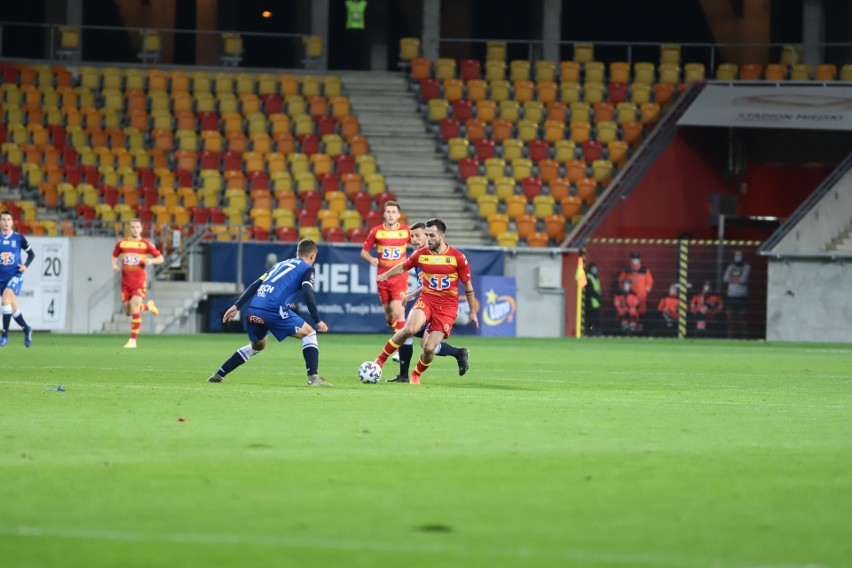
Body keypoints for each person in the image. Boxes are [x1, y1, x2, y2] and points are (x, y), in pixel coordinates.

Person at [207, 239, 331, 386]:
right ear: (313, 256)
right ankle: (313, 378)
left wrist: (237, 306)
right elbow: (307, 291)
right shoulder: (307, 269)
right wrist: (317, 319)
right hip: (274, 310)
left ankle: (218, 374)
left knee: (257, 346)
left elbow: (256, 284)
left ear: (296, 253)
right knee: (309, 334)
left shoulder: (279, 265)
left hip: (254, 310)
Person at [374, 218, 479, 384]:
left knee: (429, 348)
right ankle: (379, 362)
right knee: (410, 329)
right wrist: (386, 275)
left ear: (442, 236)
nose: (428, 239)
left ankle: (416, 374)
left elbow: (468, 286)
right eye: (426, 235)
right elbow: (403, 266)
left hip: (447, 307)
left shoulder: (457, 257)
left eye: (431, 235)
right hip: (427, 300)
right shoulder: (421, 255)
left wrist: (472, 311)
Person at [360, 200, 413, 382]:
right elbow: (364, 251)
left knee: (399, 311)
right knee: (389, 316)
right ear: (384, 214)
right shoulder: (377, 231)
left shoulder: (406, 231)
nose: (390, 215)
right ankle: (397, 336)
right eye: (388, 212)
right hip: (383, 278)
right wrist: (371, 259)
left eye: (393, 212)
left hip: (400, 277)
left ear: (398, 215)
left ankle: (399, 348)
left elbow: (419, 244)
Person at [111, 218, 163, 348]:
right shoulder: (122, 243)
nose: (135, 229)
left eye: (137, 227)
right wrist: (114, 265)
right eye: (133, 227)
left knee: (134, 306)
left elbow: (160, 258)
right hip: (125, 282)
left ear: (141, 229)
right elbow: (114, 256)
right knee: (127, 311)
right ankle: (148, 307)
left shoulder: (146, 244)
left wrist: (151, 261)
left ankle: (132, 340)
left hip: (139, 282)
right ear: (129, 228)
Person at [0, 210, 35, 347]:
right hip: (1, 278)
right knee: (13, 307)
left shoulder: (18, 238)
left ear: (12, 222)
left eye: (8, 219)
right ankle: (26, 328)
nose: (6, 222)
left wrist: (25, 266)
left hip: (15, 275)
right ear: (0, 222)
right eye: (3, 219)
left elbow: (31, 254)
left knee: (5, 300)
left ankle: (4, 335)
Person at [617, 251, 653, 318]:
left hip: (641, 295)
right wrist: (624, 286)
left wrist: (646, 290)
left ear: (639, 259)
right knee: (631, 312)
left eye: (636, 258)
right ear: (631, 259)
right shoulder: (626, 269)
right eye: (633, 258)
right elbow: (620, 280)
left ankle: (641, 325)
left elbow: (649, 281)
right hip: (630, 296)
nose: (635, 260)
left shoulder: (644, 270)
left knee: (642, 311)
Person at [723, 250, 750, 339]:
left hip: (742, 296)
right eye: (736, 255)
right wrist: (737, 279)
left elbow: (743, 280)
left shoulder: (746, 267)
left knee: (742, 318)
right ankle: (730, 337)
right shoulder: (731, 267)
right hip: (730, 296)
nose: (738, 257)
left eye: (740, 255)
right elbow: (725, 278)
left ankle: (745, 337)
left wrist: (732, 279)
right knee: (730, 319)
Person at [584, 263, 602, 336]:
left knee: (595, 319)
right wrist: (597, 296)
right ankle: (590, 332)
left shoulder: (596, 278)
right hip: (591, 302)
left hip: (596, 303)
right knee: (591, 320)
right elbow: (590, 290)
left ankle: (595, 331)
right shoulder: (589, 278)